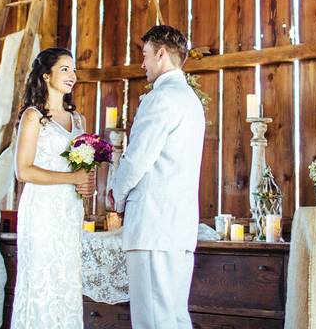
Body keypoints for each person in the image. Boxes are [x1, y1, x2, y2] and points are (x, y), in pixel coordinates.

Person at [107, 25, 206, 329]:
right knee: (174, 318)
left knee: (152, 321)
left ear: (161, 53)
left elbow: (136, 159)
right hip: (178, 228)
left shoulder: (160, 99)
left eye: (146, 54)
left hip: (153, 226)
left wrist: (116, 198)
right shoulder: (190, 100)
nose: (143, 63)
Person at [11, 48, 96, 329]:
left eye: (73, 70)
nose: (72, 75)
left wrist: (86, 182)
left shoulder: (79, 120)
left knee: (66, 280)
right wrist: (72, 179)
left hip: (69, 212)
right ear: (46, 75)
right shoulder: (34, 117)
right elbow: (23, 170)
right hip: (42, 212)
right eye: (64, 69)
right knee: (42, 280)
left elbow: (79, 169)